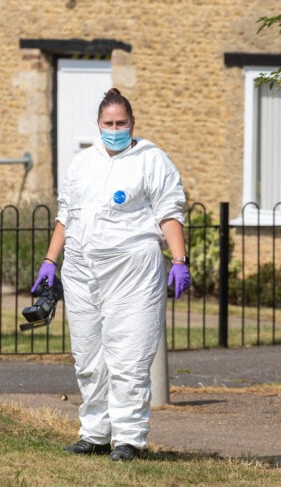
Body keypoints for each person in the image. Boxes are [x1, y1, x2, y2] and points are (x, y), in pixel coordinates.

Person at [32, 88, 191, 462]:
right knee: (89, 357)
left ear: (132, 123)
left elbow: (170, 212)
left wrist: (179, 260)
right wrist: (50, 262)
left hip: (133, 271)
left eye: (122, 123)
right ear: (98, 125)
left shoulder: (152, 160)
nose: (115, 129)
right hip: (83, 270)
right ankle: (95, 433)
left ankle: (129, 438)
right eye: (108, 123)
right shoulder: (83, 163)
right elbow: (66, 215)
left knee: (129, 357)